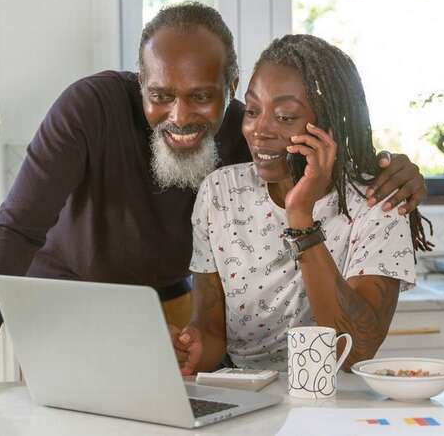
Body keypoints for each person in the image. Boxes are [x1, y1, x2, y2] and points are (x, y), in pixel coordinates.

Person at [0, 3, 428, 412]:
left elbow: (323, 141)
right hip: (73, 301)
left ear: (230, 91)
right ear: (139, 83)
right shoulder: (89, 109)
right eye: (160, 94)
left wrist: (391, 169)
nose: (179, 116)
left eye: (202, 97)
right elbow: (15, 230)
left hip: (170, 305)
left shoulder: (253, 135)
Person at [175, 34, 431, 375]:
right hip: (246, 394)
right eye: (252, 110)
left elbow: (355, 350)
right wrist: (188, 348)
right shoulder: (220, 192)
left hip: (337, 398)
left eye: (284, 116)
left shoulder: (378, 201)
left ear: (329, 124)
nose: (258, 129)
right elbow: (211, 331)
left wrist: (301, 217)